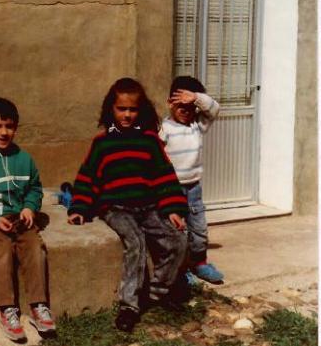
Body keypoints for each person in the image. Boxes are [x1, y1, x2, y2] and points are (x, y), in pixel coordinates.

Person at [67, 78, 189, 333]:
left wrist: (173, 209)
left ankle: (157, 292)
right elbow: (88, 177)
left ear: (140, 110)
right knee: (135, 242)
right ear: (111, 109)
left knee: (178, 238)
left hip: (148, 207)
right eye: (121, 109)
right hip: (117, 209)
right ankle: (129, 306)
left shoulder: (150, 141)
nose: (127, 115)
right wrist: (79, 208)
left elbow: (164, 175)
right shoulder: (102, 143)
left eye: (133, 109)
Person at [0, 97, 55, 341]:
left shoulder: (24, 159)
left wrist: (29, 208)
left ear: (16, 127)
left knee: (34, 246)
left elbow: (34, 188)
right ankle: (7, 309)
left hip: (19, 217)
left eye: (9, 126)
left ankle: (38, 305)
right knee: (3, 249)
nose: (3, 132)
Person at [160, 76, 223, 284]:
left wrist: (195, 97)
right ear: (170, 103)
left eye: (190, 107)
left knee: (199, 228)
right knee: (178, 231)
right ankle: (181, 269)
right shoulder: (164, 129)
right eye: (181, 105)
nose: (186, 111)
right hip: (172, 190)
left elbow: (214, 109)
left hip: (194, 188)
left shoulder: (197, 125)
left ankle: (200, 263)